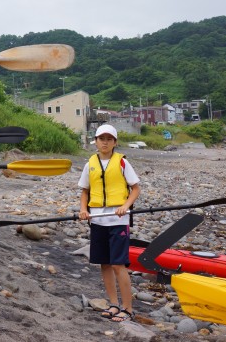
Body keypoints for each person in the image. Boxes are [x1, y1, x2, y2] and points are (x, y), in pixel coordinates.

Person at [78, 124, 141, 323]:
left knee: (117, 264)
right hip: (97, 220)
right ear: (95, 141)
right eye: (101, 138)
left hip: (118, 220)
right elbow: (85, 191)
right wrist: (83, 210)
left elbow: (135, 189)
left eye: (109, 139)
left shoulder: (122, 163)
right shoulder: (91, 163)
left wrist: (126, 205)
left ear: (114, 142)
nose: (104, 142)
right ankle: (113, 304)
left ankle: (128, 308)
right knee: (105, 264)